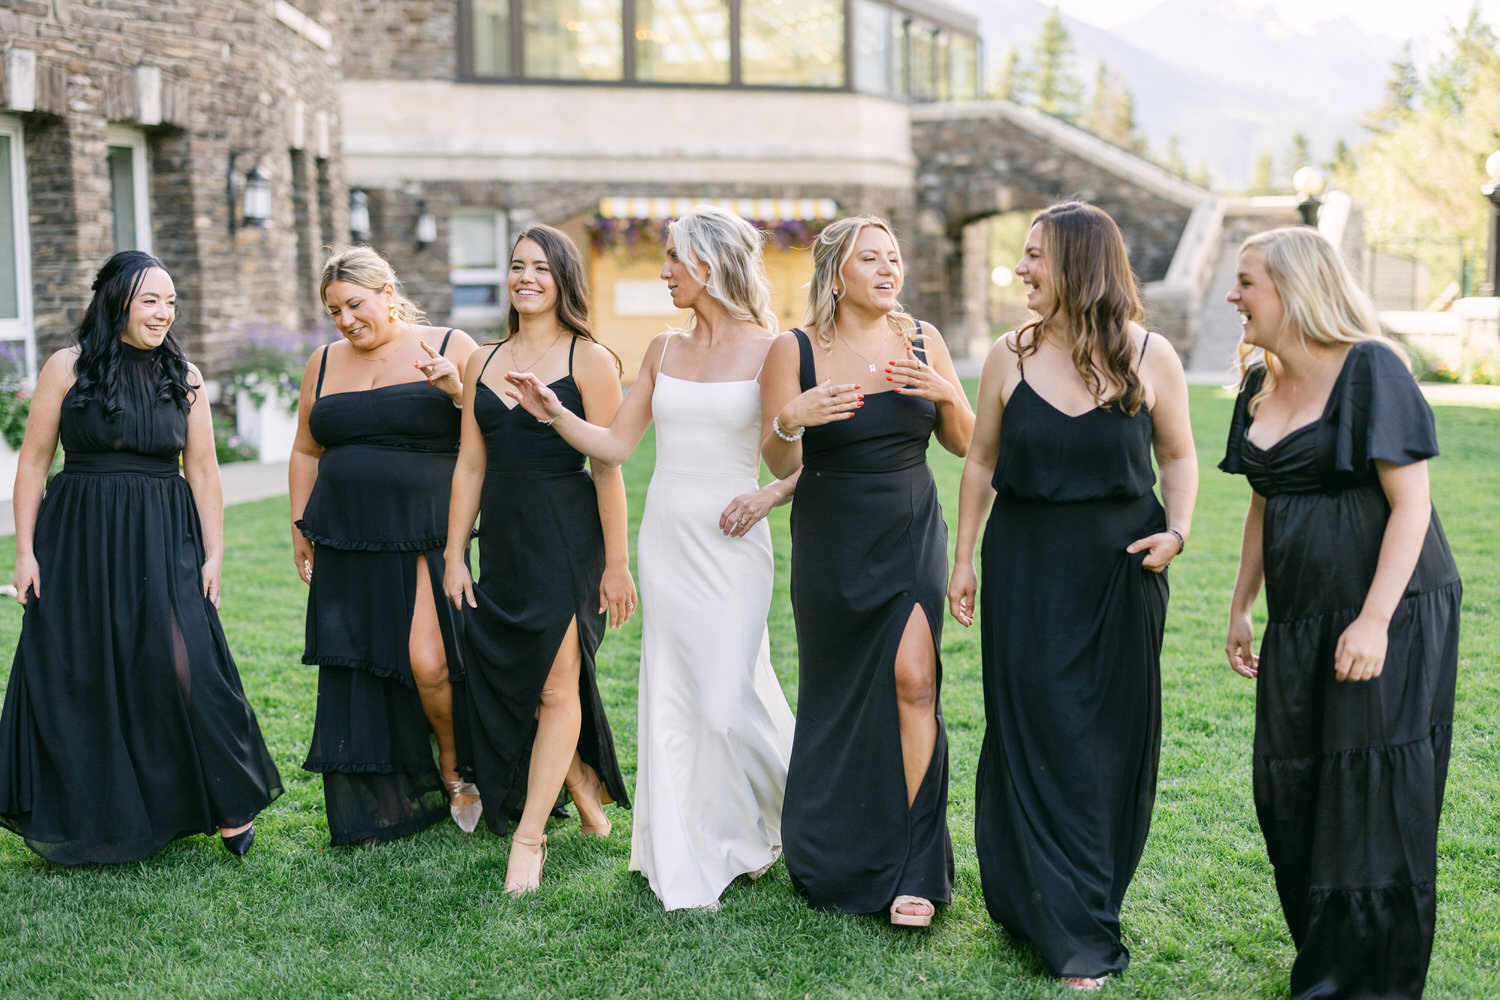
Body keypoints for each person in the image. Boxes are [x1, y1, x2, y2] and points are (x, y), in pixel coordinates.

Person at [504, 206, 797, 910]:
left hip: (733, 543)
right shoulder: (663, 350)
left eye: (673, 258)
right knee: (676, 698)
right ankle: (693, 843)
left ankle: (802, 802)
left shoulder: (773, 350)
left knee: (727, 702)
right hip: (667, 539)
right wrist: (552, 411)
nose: (663, 270)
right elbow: (614, 447)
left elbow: (802, 462)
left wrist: (769, 497)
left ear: (710, 263)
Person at [946, 201, 1196, 990]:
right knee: (1035, 731)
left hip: (1122, 570)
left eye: (1035, 256)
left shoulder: (1152, 356)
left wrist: (1179, 530)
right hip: (1026, 565)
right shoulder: (1005, 358)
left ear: (1080, 264)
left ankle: (1087, 903)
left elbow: (1180, 456)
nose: (1021, 269)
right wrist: (963, 560)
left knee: (1106, 745)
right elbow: (979, 462)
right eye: (1022, 256)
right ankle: (1053, 919)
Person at [1221, 226, 1460, 999]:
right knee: (1288, 784)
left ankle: (1364, 980)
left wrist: (1374, 620)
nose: (1234, 296)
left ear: (1293, 288)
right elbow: (1263, 502)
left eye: (1247, 281)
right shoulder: (1258, 382)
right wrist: (1242, 605)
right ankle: (1327, 951)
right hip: (1299, 618)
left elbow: (1412, 505)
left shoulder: (1373, 371)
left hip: (1386, 609)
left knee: (1370, 791)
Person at [0, 250, 282, 863]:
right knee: (81, 670)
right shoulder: (66, 368)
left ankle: (227, 803)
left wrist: (213, 554)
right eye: (151, 299)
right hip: (77, 535)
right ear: (116, 300)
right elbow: (32, 462)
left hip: (163, 532)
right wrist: (24, 551)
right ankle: (94, 816)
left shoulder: (186, 375)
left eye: (171, 301)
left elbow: (203, 470)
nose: (164, 313)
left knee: (189, 665)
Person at [758, 215, 973, 927]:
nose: (888, 270)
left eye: (894, 258)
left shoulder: (923, 339)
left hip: (911, 528)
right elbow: (781, 462)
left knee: (915, 681)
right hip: (830, 541)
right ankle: (832, 851)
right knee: (839, 693)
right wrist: (792, 417)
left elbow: (968, 443)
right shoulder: (794, 350)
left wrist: (945, 391)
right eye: (871, 259)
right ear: (836, 274)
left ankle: (916, 865)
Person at [445, 224, 635, 894]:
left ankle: (529, 840)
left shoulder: (590, 359)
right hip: (502, 540)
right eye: (517, 266)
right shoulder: (481, 361)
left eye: (540, 268)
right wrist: (453, 554)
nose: (526, 277)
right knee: (515, 675)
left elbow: (608, 468)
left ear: (563, 280)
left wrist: (617, 563)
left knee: (555, 686)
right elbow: (470, 464)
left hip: (566, 537)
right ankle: (584, 789)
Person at [290, 245, 480, 845]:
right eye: (334, 311)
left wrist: (455, 392)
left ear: (388, 293)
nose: (345, 320)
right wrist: (300, 526)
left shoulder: (451, 345)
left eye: (354, 304)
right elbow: (305, 449)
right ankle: (384, 798)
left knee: (429, 662)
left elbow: (490, 431)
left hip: (427, 531)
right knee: (365, 666)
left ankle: (456, 769)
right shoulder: (322, 362)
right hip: (344, 534)